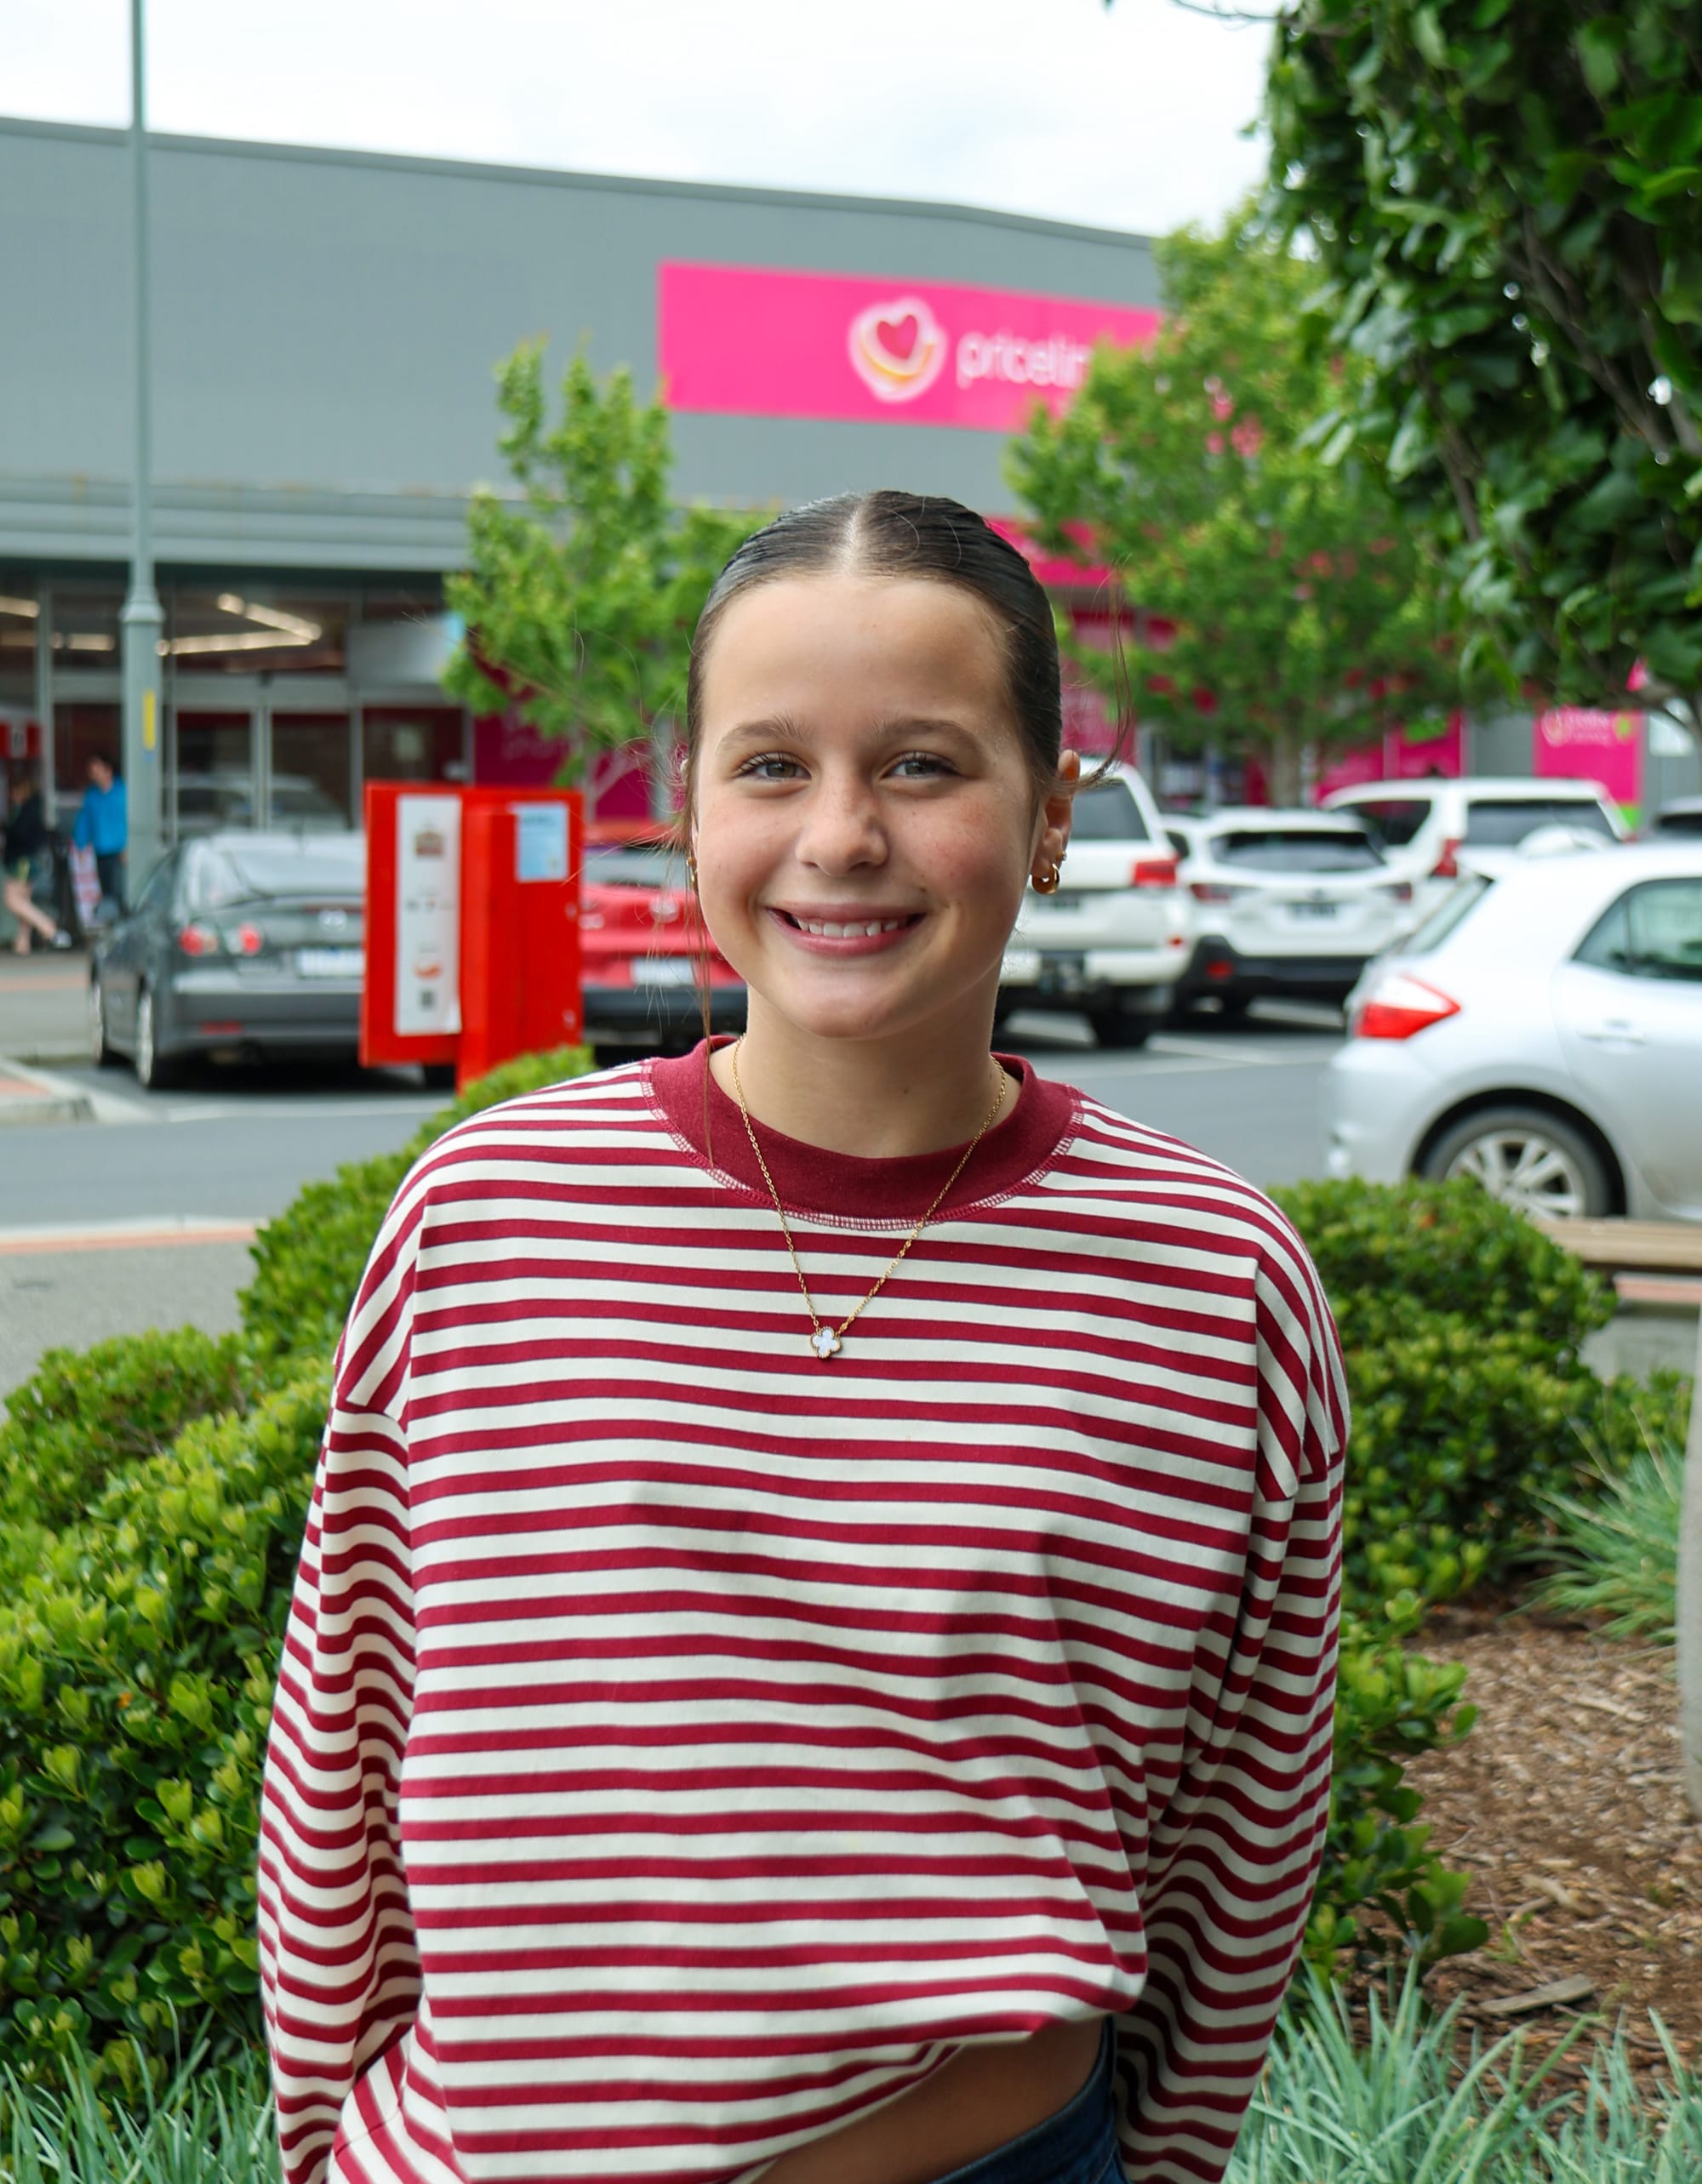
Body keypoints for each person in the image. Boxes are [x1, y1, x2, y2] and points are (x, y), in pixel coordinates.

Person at [259, 492, 1346, 2184]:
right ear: (687, 808)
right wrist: (332, 2150)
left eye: (921, 763)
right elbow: (346, 1744)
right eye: (770, 765)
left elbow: (1241, 1840)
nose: (840, 835)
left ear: (1051, 813)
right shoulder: (485, 1213)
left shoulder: (1212, 1279)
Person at [2, 768, 72, 954]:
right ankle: (23, 942)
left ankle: (47, 926)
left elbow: (21, 833)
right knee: (24, 900)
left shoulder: (28, 809)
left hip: (22, 860)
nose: (13, 794)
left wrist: (7, 829)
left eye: (16, 790)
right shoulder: (29, 808)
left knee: (12, 900)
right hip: (26, 858)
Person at [71, 750, 127, 916]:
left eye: (96, 769)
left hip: (119, 851)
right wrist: (80, 845)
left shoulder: (122, 791)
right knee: (105, 889)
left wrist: (129, 846)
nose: (93, 773)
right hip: (101, 849)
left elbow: (131, 820)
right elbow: (85, 820)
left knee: (120, 889)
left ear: (107, 769)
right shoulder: (92, 795)